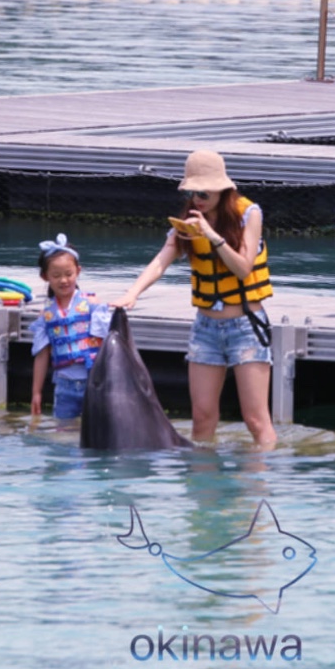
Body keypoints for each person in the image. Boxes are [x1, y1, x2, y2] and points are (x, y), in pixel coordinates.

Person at [114, 149, 278, 449]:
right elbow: (162, 259)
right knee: (202, 417)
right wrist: (132, 293)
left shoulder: (248, 214)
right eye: (193, 191)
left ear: (222, 189)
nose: (198, 198)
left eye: (205, 192)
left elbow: (243, 269)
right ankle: (204, 491)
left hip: (245, 327)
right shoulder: (187, 220)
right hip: (206, 328)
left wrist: (212, 234)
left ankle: (259, 488)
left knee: (255, 420)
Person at [29, 233, 112, 423]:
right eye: (56, 276)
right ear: (45, 277)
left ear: (78, 271)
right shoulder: (47, 315)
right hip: (64, 386)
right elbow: (41, 356)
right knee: (63, 432)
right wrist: (36, 393)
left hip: (94, 383)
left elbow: (109, 343)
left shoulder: (92, 304)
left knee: (98, 429)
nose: (63, 280)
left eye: (69, 274)